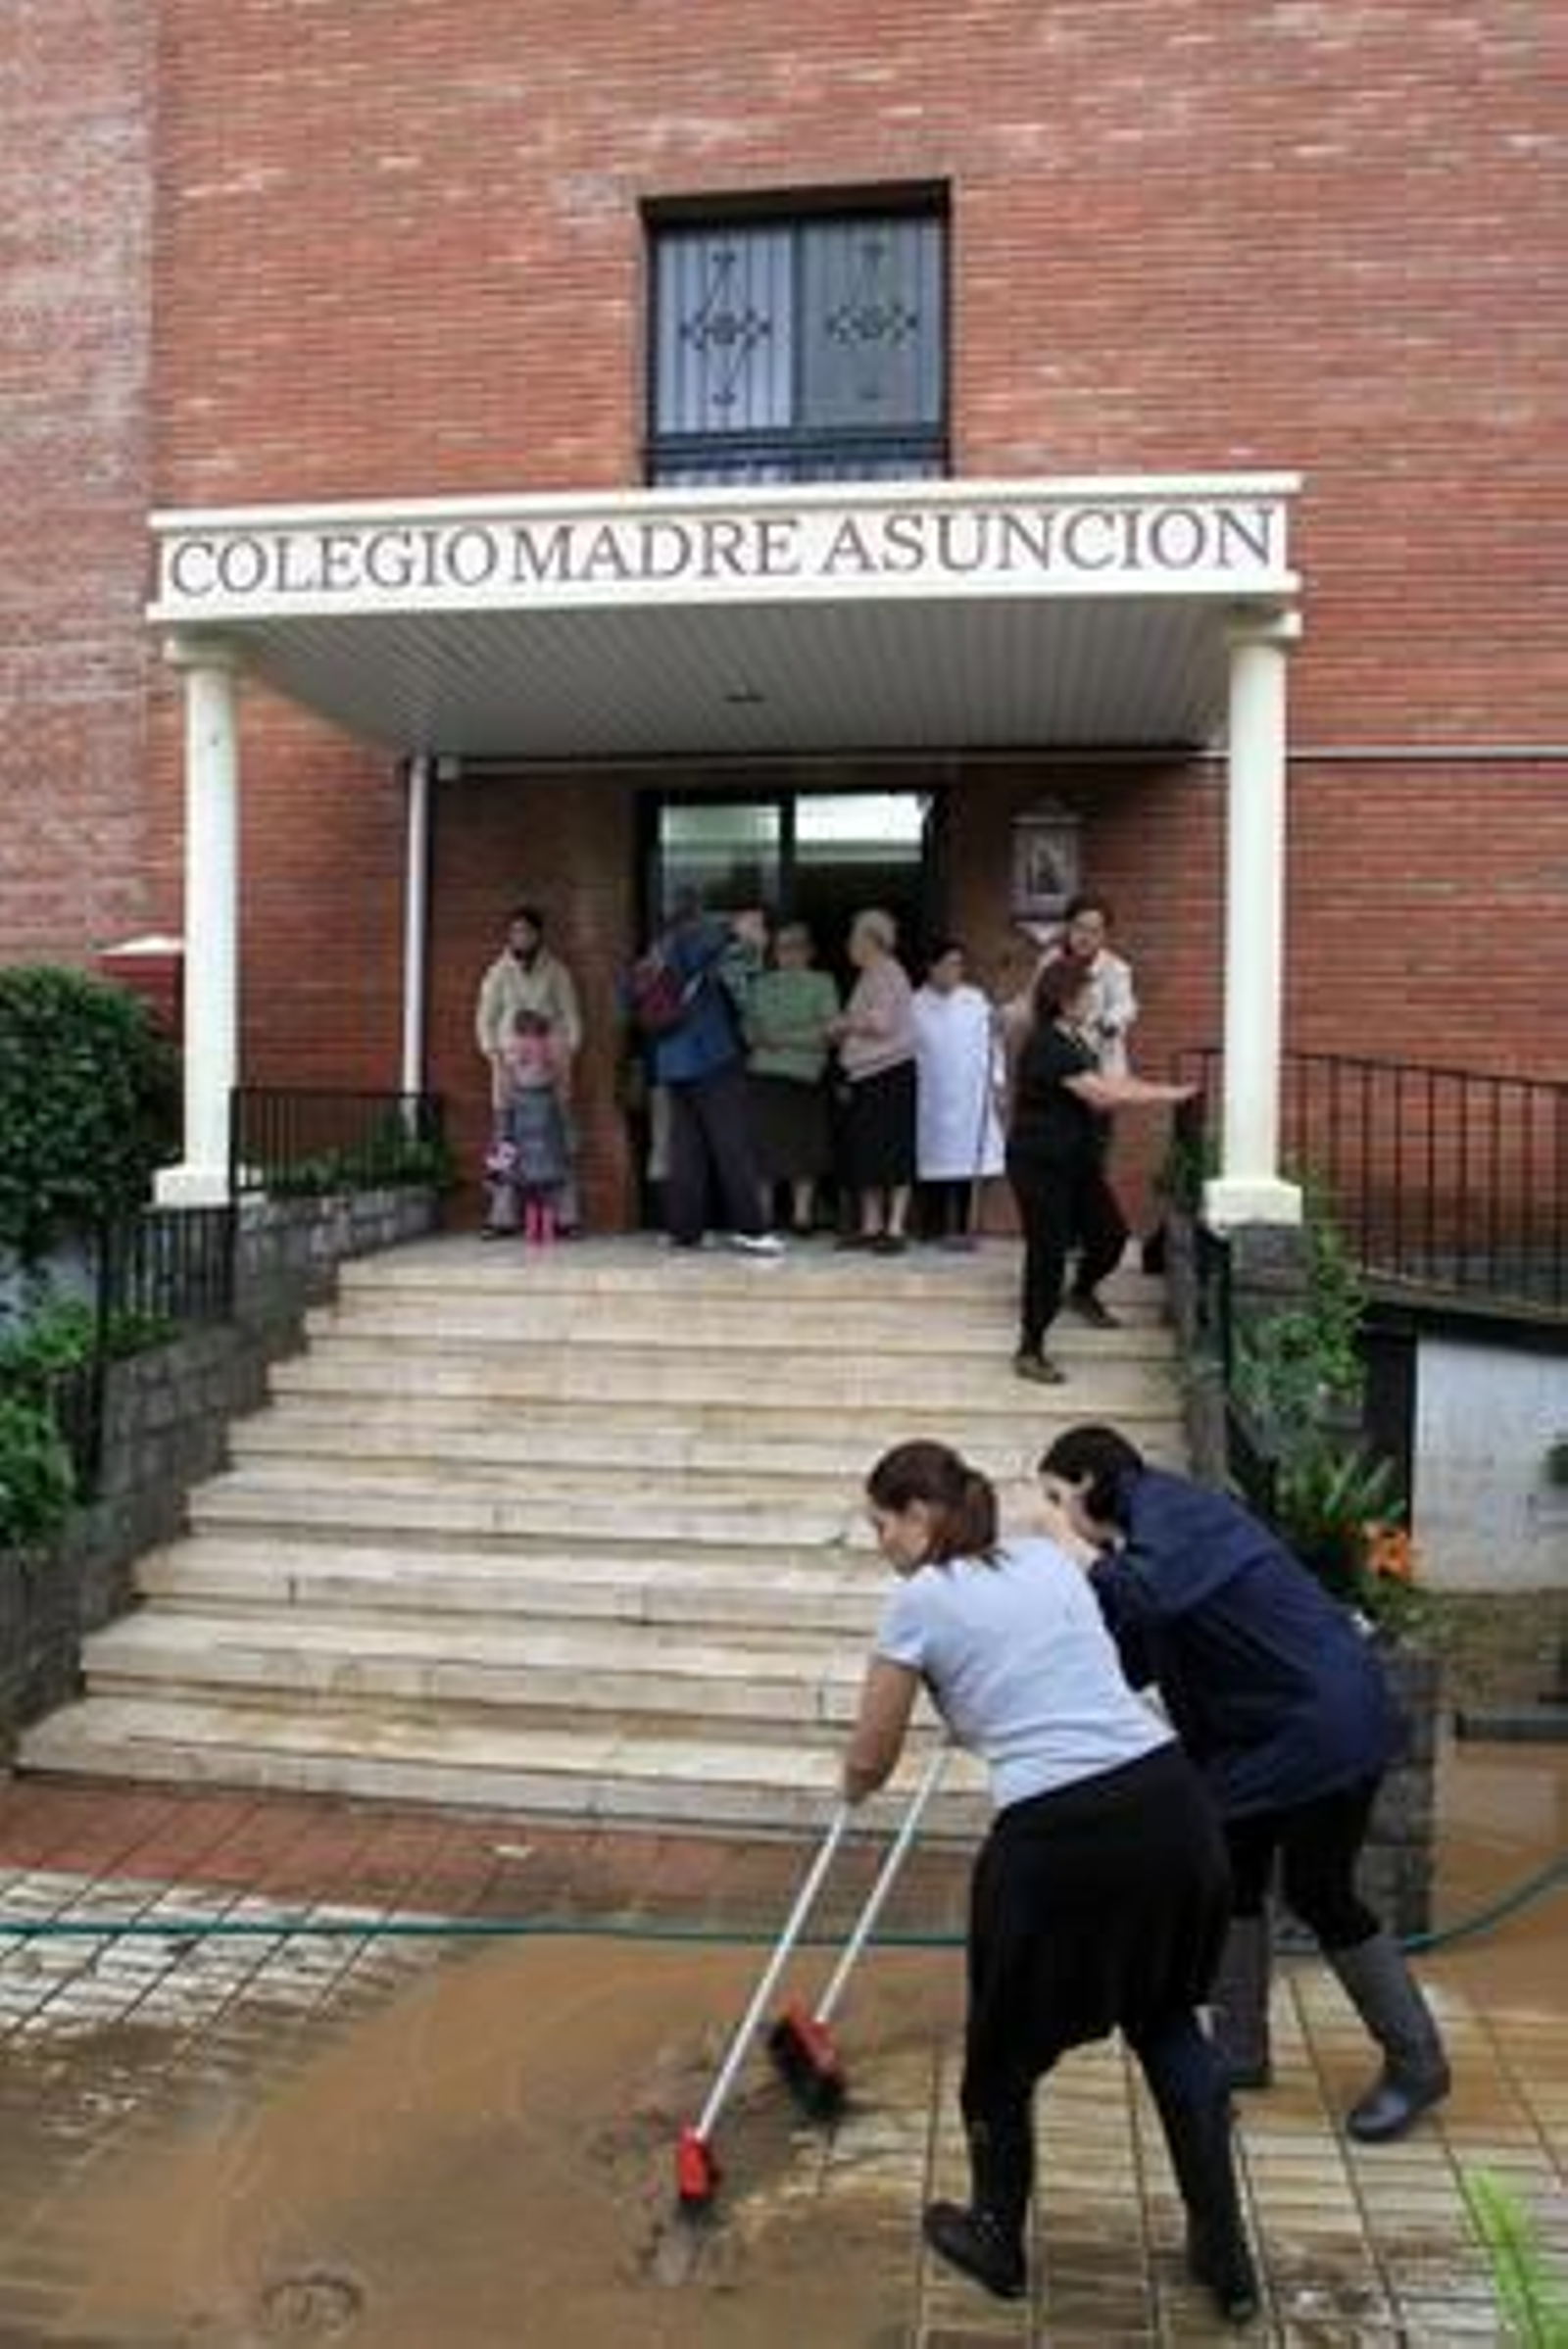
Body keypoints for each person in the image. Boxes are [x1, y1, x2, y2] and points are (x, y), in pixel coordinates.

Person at [842, 1441, 1257, 2320]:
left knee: (999, 2055)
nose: (880, 1543)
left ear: (918, 1515)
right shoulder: (1042, 1558)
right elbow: (1056, 1658)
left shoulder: (919, 1599)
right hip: (1170, 1805)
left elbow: (873, 1752)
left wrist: (853, 1783)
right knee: (1168, 2022)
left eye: (881, 1523)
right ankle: (1224, 2252)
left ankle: (996, 2235)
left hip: (1061, 1836)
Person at [1035, 1423, 1451, 2145]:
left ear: (1090, 1482)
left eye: (1055, 1498)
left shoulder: (1174, 1511)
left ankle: (1418, 2062)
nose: (1055, 1515)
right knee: (1230, 1877)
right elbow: (1132, 1653)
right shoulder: (1141, 1540)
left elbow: (1153, 1598)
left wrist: (1072, 1551)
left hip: (1323, 1726)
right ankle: (1238, 2049)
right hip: (1253, 1739)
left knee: (1320, 1892)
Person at [1006, 957, 1192, 1382]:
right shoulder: (1047, 1045)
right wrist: (1167, 1096)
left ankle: (1082, 1291)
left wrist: (1166, 1091)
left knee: (1110, 1235)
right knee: (1048, 1252)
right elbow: (1102, 1096)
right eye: (1086, 993)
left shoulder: (1077, 1041)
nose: (1092, 1000)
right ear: (1064, 998)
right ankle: (1030, 1349)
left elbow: (1113, 1083)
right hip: (1040, 1164)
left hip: (1076, 1162)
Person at [647, 892, 782, 1256]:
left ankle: (685, 1230)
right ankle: (752, 1230)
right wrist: (736, 926)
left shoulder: (657, 951)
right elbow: (712, 938)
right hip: (709, 1060)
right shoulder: (690, 939)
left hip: (673, 1062)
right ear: (695, 917)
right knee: (733, 1144)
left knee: (686, 1151)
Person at [473, 905, 585, 1233]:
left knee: (559, 1141)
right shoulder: (498, 973)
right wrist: (494, 1056)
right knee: (504, 1142)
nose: (519, 937)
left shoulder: (557, 972)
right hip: (509, 1070)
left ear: (538, 934)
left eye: (525, 931)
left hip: (552, 1070)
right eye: (514, 932)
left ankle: (565, 1217)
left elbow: (572, 1017)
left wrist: (566, 1055)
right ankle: (501, 1217)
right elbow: (484, 1020)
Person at [826, 907, 917, 1253]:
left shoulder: (889, 972)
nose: (849, 945)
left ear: (870, 941)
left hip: (889, 1073)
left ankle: (894, 1229)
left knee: (893, 1149)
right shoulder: (869, 974)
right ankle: (871, 1225)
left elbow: (881, 1023)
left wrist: (843, 1024)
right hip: (865, 1074)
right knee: (866, 1151)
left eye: (853, 938)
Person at [744, 921, 840, 1238]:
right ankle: (763, 1215)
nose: (788, 953)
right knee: (764, 1149)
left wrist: (780, 1038)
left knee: (805, 1148)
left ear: (809, 951)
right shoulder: (760, 984)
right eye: (782, 947)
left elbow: (830, 1032)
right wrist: (800, 1036)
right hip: (764, 1076)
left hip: (805, 1077)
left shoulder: (822, 982)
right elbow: (749, 1032)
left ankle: (802, 1216)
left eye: (796, 946)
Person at [911, 940, 1004, 1247]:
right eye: (949, 964)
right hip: (932, 1093)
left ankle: (965, 1228)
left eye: (959, 965)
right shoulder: (915, 1003)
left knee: (967, 1160)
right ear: (931, 967)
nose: (955, 970)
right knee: (933, 1160)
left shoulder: (975, 999)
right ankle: (932, 1227)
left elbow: (993, 1042)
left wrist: (997, 1082)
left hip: (970, 1091)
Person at [483, 1007, 570, 1245]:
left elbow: (509, 1075)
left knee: (523, 1177)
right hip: (536, 1119)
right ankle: (541, 1231)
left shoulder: (518, 1050)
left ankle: (534, 1230)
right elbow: (556, 1077)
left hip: (524, 1114)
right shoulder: (546, 1050)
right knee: (542, 1189)